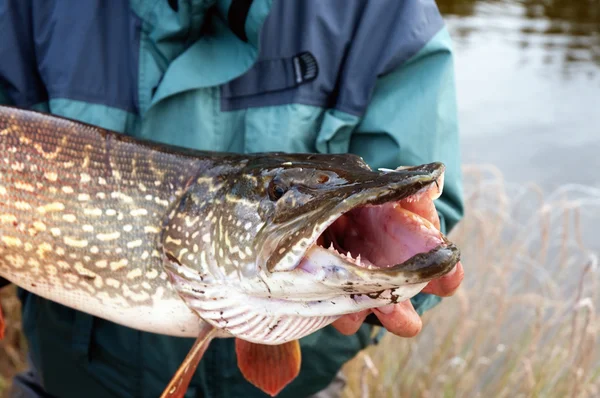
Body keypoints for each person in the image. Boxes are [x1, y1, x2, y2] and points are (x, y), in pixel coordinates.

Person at [0, 0, 465, 397]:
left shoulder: (380, 11)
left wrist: (383, 289)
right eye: (278, 193)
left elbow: (419, 207)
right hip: (72, 383)